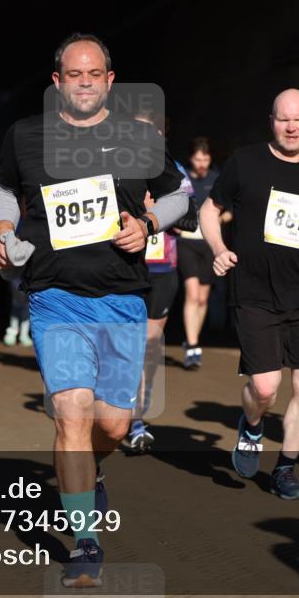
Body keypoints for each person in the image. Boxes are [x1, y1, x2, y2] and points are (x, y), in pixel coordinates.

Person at [0, 33, 188, 586]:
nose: (83, 82)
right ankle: (84, 541)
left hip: (123, 299)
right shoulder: (25, 136)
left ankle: (94, 466)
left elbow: (179, 195)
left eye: (93, 73)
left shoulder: (137, 137)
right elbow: (3, 188)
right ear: (57, 82)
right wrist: (2, 228)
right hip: (54, 296)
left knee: (115, 426)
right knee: (71, 413)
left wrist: (148, 224)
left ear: (109, 81)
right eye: (73, 74)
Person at [200, 88, 299, 500]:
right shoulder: (245, 162)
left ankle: (286, 468)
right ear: (271, 121)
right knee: (265, 388)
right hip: (254, 292)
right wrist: (218, 249)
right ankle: (251, 426)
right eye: (283, 119)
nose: (291, 127)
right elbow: (210, 209)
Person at [128, 109, 200, 453]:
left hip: (160, 269)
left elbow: (190, 215)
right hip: (119, 271)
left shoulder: (176, 172)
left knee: (150, 343)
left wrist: (156, 211)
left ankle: (137, 421)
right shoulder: (112, 167)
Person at [176, 137, 228, 369]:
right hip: (186, 242)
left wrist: (215, 220)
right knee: (192, 294)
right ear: (191, 159)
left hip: (208, 244)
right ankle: (194, 344)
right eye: (198, 158)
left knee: (204, 298)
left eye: (205, 158)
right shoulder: (181, 178)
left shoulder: (217, 179)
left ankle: (191, 339)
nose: (202, 163)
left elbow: (230, 212)